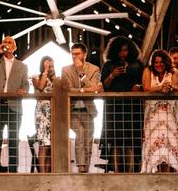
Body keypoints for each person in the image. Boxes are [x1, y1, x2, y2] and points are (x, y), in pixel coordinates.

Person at [0, 35, 29, 173]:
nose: (8, 44)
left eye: (10, 42)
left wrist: (24, 90)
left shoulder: (22, 66)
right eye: (5, 42)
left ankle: (13, 170)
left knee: (14, 140)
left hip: (14, 106)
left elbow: (26, 84)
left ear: (15, 47)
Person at [100, 36, 144, 173]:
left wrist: (138, 86)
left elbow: (144, 82)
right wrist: (113, 75)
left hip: (132, 108)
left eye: (125, 50)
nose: (123, 53)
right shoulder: (108, 65)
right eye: (120, 51)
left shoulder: (137, 65)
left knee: (130, 142)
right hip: (114, 108)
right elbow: (103, 85)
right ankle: (117, 172)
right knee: (115, 142)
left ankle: (130, 172)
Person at [60, 43, 104, 173]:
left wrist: (81, 74)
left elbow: (94, 88)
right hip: (72, 109)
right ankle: (80, 166)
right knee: (80, 134)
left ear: (85, 54)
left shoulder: (94, 69)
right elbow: (67, 89)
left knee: (88, 139)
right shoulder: (66, 70)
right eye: (72, 54)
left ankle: (86, 167)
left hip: (88, 109)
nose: (74, 56)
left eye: (77, 54)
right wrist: (86, 89)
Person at [141, 49, 178, 173]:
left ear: (166, 62)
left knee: (169, 142)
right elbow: (146, 88)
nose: (158, 65)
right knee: (154, 140)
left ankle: (168, 173)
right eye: (156, 62)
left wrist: (171, 88)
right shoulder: (148, 71)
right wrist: (160, 88)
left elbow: (176, 86)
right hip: (153, 113)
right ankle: (155, 172)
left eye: (161, 62)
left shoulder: (173, 72)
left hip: (169, 112)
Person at [31, 55, 57, 173]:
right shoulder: (36, 77)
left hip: (54, 113)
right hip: (42, 114)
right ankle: (42, 173)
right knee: (43, 144)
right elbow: (41, 87)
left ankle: (49, 172)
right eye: (47, 65)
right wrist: (45, 71)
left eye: (51, 66)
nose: (50, 68)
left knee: (51, 145)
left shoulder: (55, 79)